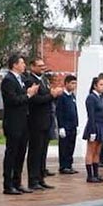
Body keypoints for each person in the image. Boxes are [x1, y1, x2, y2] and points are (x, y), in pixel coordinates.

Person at [1, 54, 40, 195]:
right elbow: (13, 100)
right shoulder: (8, 80)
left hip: (24, 122)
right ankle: (8, 184)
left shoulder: (22, 79)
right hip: (13, 122)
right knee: (12, 153)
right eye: (22, 63)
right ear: (14, 65)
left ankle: (17, 182)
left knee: (21, 153)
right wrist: (28, 95)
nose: (24, 65)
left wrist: (29, 93)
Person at [26, 57, 63, 190]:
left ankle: (41, 177)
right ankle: (33, 179)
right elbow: (34, 100)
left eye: (43, 66)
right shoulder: (30, 81)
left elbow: (47, 97)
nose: (42, 68)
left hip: (46, 120)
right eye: (39, 66)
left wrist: (54, 95)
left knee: (42, 151)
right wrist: (51, 95)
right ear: (32, 67)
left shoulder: (43, 80)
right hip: (36, 121)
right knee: (35, 151)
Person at [82, 76, 103, 183]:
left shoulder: (100, 97)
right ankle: (90, 175)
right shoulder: (91, 98)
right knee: (91, 151)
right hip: (94, 125)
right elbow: (91, 115)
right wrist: (92, 131)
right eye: (101, 85)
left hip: (102, 125)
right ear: (95, 86)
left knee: (97, 152)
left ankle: (96, 173)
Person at [56, 74, 79, 174]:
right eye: (72, 83)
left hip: (73, 125)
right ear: (66, 84)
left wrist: (77, 124)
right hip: (65, 126)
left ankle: (69, 165)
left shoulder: (72, 96)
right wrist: (61, 126)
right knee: (64, 147)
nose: (74, 86)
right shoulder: (62, 96)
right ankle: (63, 166)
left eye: (75, 83)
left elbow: (74, 111)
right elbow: (59, 112)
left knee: (71, 146)